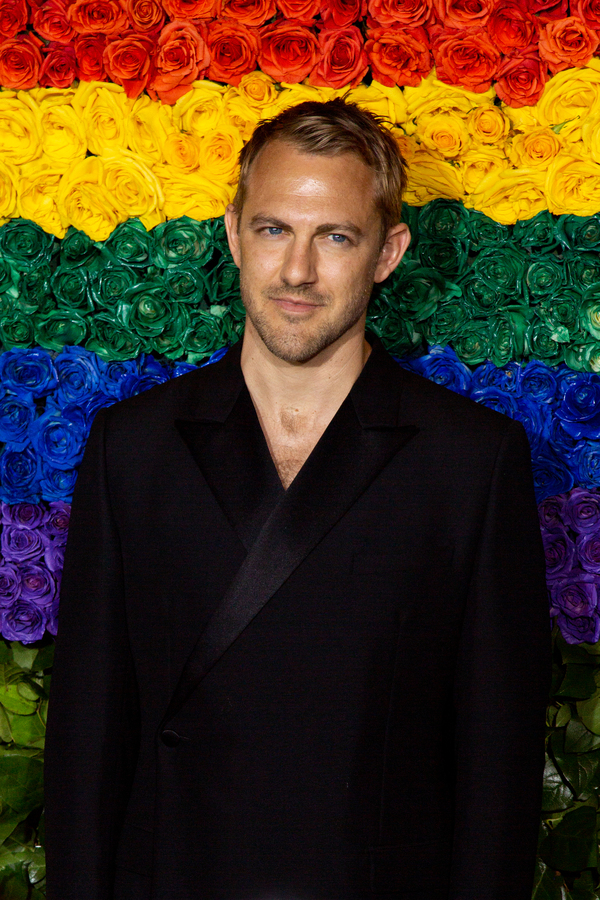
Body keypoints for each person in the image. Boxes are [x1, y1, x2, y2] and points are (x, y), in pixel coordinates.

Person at [44, 98, 550, 900]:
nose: (298, 273)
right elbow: (86, 738)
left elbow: (499, 760)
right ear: (234, 232)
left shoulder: (471, 460)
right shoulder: (132, 447)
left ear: (388, 253)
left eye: (335, 237)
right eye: (275, 229)